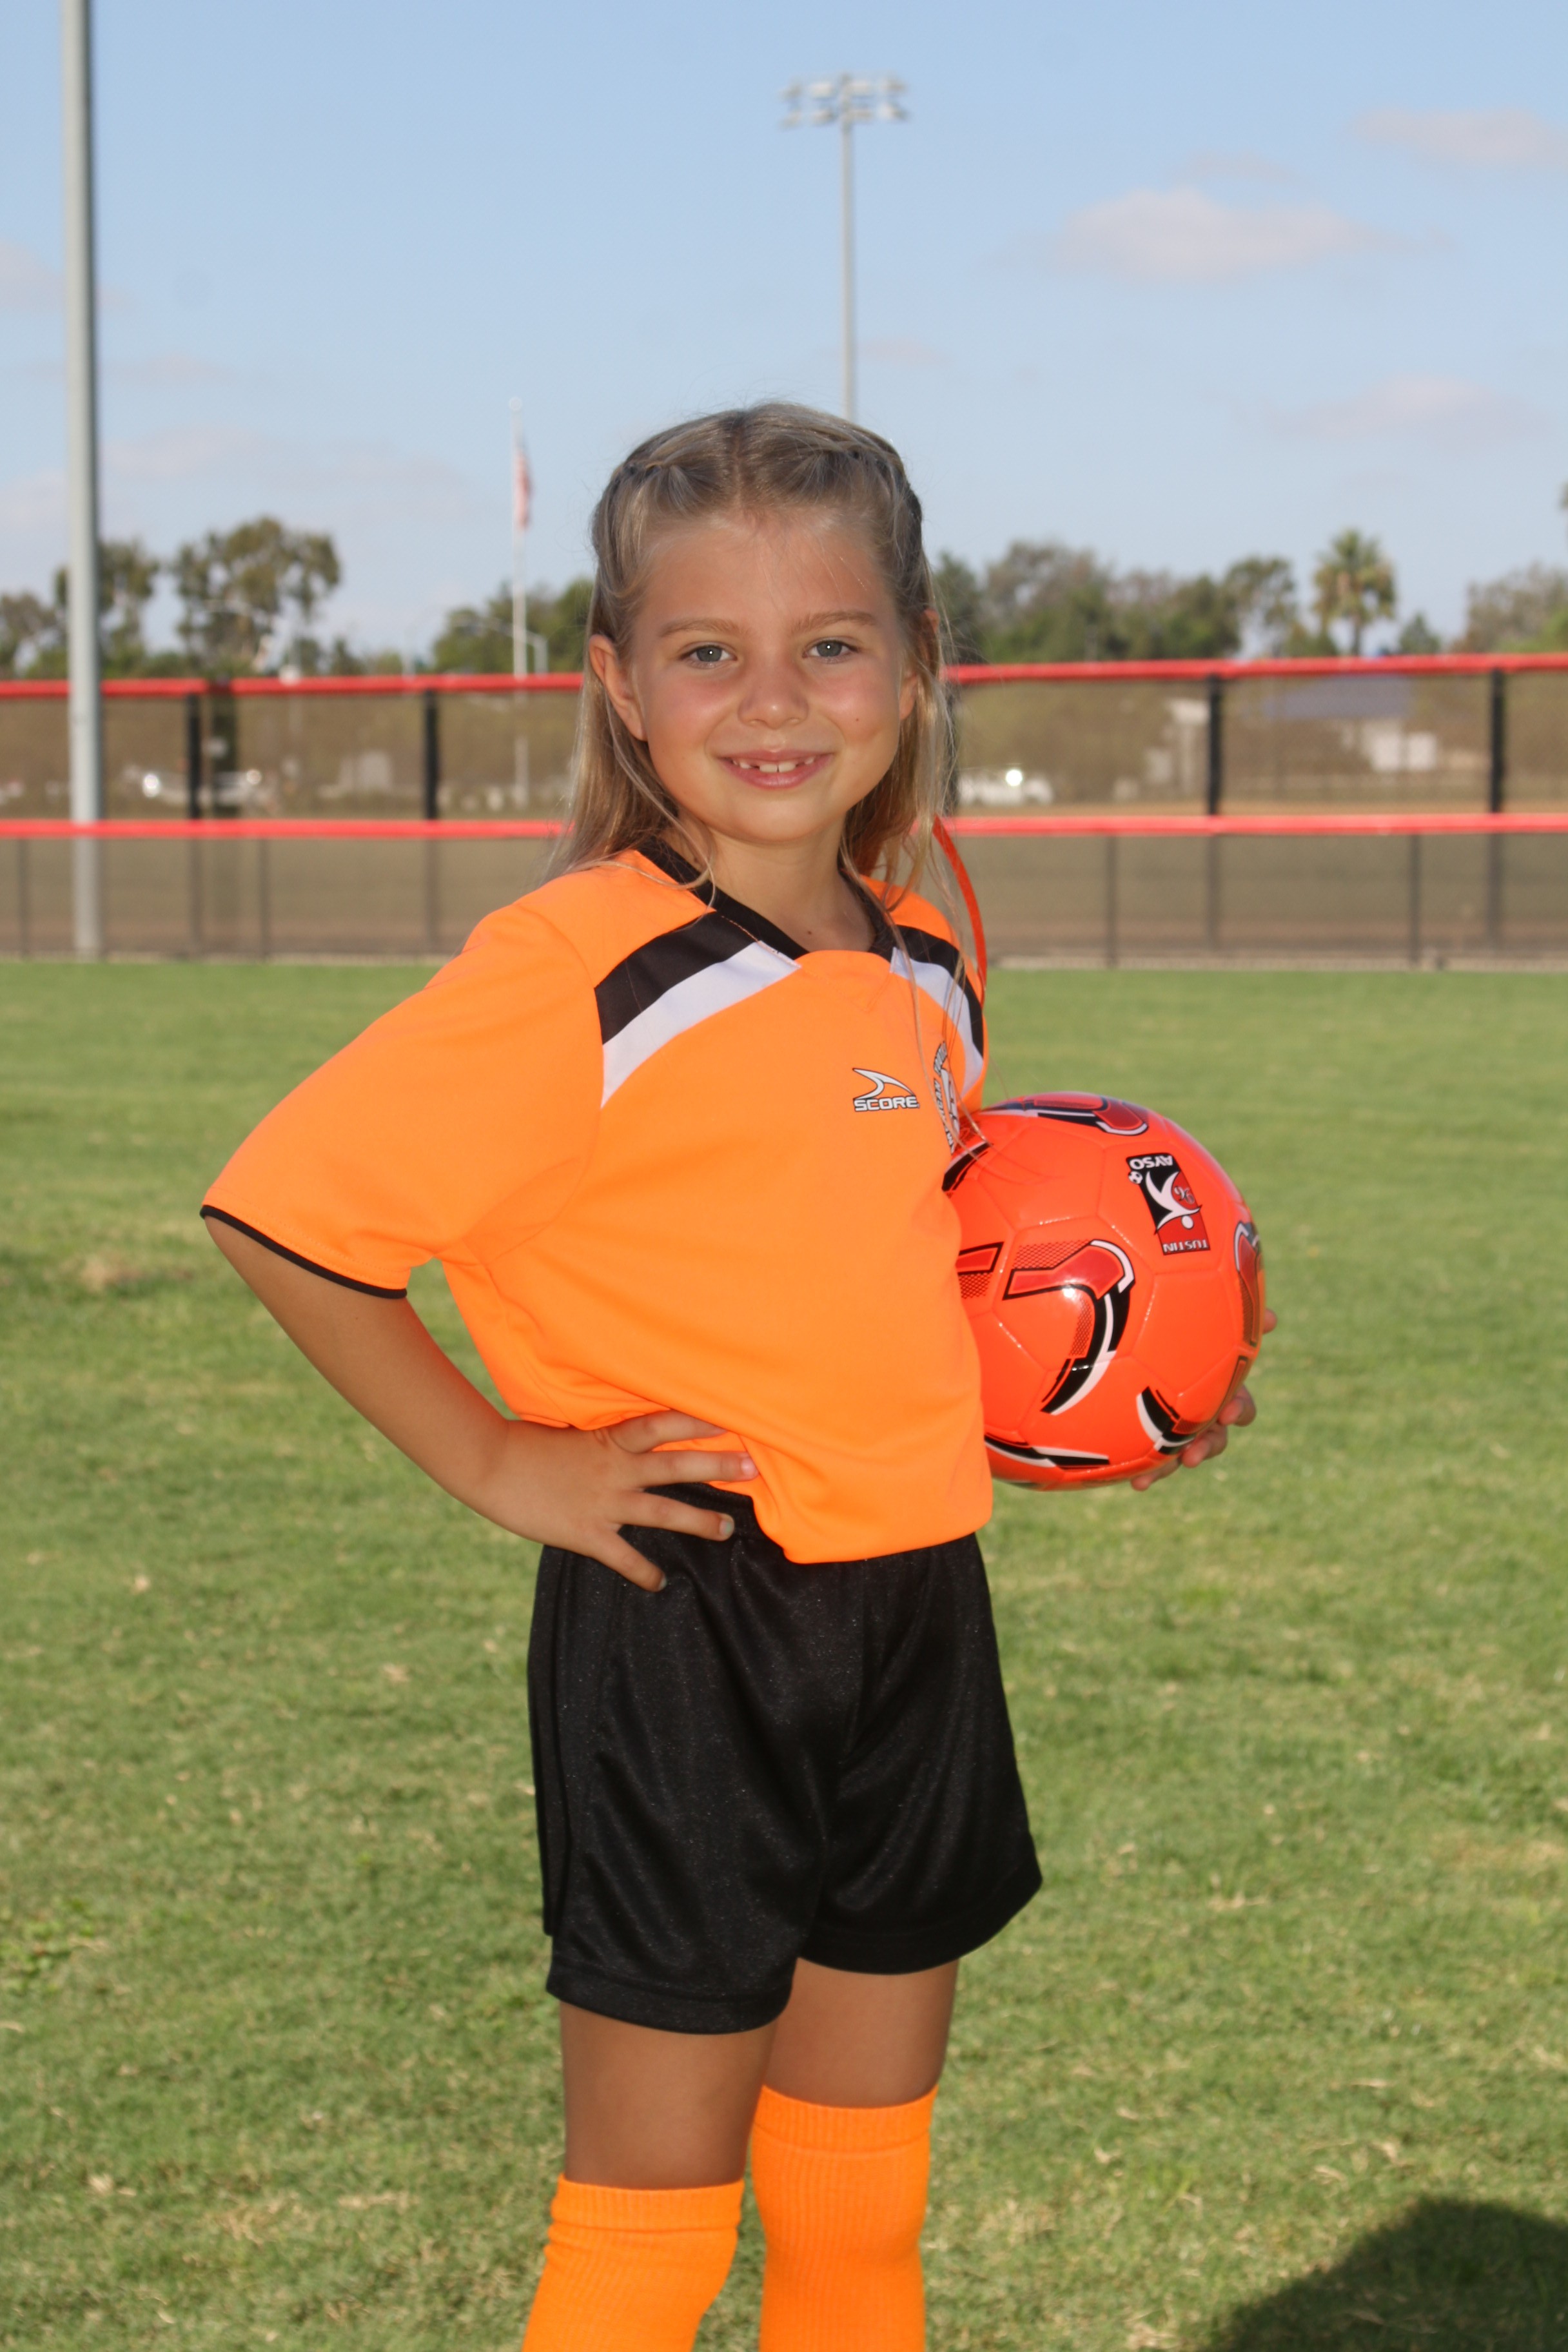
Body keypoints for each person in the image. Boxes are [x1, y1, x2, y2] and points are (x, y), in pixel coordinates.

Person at [201, 404, 1259, 2351]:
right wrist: (503, 1461)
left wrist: (1115, 1392)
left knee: (862, 2208)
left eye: (830, 643)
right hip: (690, 1615)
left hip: (918, 1602)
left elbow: (881, 1258)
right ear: (620, 687)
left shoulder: (927, 957)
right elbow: (287, 1216)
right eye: (710, 651)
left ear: (916, 661)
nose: (774, 699)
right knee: (655, 2229)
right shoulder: (582, 964)